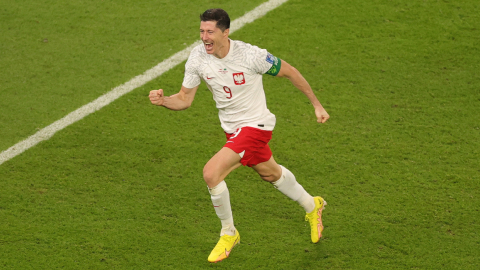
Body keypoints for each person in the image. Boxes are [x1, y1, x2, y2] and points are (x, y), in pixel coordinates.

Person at [149, 8, 330, 263]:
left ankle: (228, 233)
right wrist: (163, 101)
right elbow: (184, 99)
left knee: (211, 173)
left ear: (226, 32)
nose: (204, 37)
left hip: (256, 127)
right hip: (233, 131)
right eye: (201, 31)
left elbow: (290, 71)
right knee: (270, 173)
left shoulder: (251, 56)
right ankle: (313, 206)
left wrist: (316, 104)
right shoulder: (198, 57)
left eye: (210, 32)